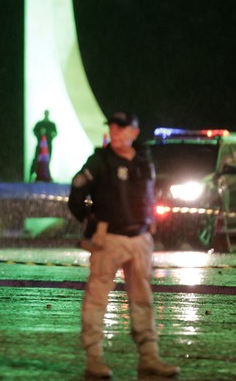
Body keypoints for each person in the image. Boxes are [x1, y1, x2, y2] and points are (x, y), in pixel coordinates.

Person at [67, 111, 180, 379]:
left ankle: (149, 357)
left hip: (141, 239)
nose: (116, 133)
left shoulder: (144, 160)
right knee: (97, 300)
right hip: (110, 239)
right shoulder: (100, 161)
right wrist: (90, 221)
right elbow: (76, 192)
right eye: (113, 128)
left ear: (134, 132)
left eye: (121, 128)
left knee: (143, 300)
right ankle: (94, 359)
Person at [30, 110, 57, 182]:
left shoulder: (52, 124)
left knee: (47, 160)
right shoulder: (39, 124)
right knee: (37, 160)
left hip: (48, 146)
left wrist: (50, 134)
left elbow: (55, 133)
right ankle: (35, 174)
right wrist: (39, 134)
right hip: (40, 146)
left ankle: (46, 175)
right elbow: (34, 131)